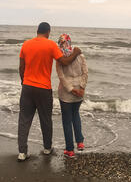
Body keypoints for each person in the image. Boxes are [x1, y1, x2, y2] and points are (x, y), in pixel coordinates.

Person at [17, 22, 82, 162]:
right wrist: (76, 52)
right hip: (43, 88)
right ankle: (47, 148)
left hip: (27, 87)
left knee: (24, 120)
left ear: (37, 31)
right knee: (45, 119)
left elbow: (21, 67)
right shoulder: (51, 45)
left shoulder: (26, 44)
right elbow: (64, 62)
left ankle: (22, 152)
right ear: (48, 32)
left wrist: (24, 82)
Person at [56, 33, 88, 158]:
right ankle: (80, 142)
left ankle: (69, 149)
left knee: (66, 121)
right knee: (75, 114)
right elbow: (85, 73)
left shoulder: (60, 58)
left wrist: (71, 89)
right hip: (79, 89)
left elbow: (61, 76)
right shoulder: (80, 55)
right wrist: (82, 88)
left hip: (65, 92)